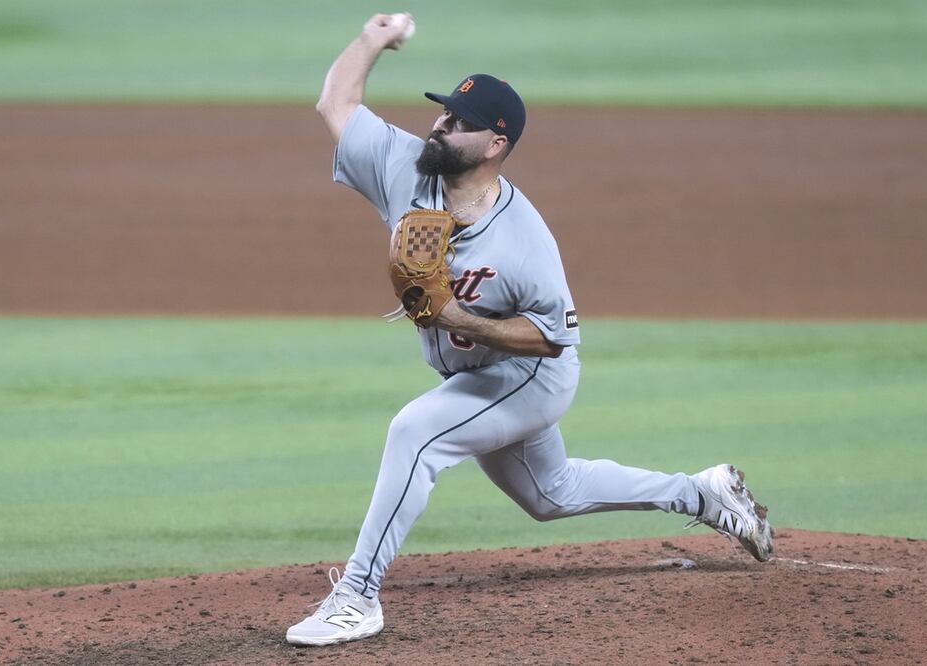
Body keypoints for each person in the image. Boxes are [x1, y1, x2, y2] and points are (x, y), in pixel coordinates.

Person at [286, 13, 774, 647]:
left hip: (531, 376)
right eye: (442, 113)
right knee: (552, 493)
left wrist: (454, 317)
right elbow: (337, 100)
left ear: (495, 142)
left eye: (459, 123)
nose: (441, 125)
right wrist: (374, 38)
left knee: (416, 432)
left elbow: (553, 337)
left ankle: (357, 597)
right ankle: (703, 495)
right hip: (477, 373)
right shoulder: (404, 165)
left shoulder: (525, 240)